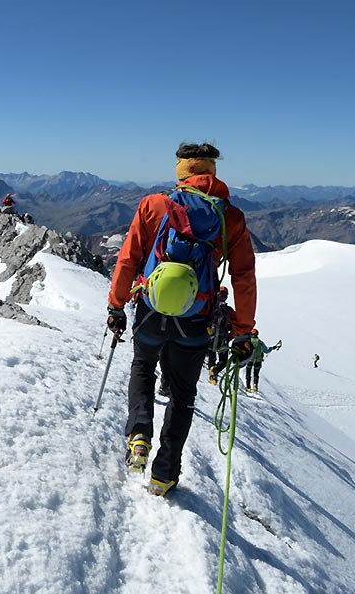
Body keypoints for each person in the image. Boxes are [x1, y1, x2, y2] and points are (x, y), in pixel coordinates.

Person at [106, 142, 257, 497]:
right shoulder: (229, 218)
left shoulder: (154, 205)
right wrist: (243, 330)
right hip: (196, 318)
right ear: (212, 171)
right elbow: (243, 277)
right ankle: (164, 474)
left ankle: (138, 434)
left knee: (143, 366)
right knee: (183, 393)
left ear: (182, 170)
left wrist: (115, 305)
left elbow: (128, 258)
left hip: (151, 310)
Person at [207, 286, 235, 384]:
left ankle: (212, 372)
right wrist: (230, 337)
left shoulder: (210, 307)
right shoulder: (228, 310)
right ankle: (214, 373)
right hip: (223, 339)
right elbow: (235, 326)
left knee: (211, 357)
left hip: (210, 336)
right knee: (223, 360)